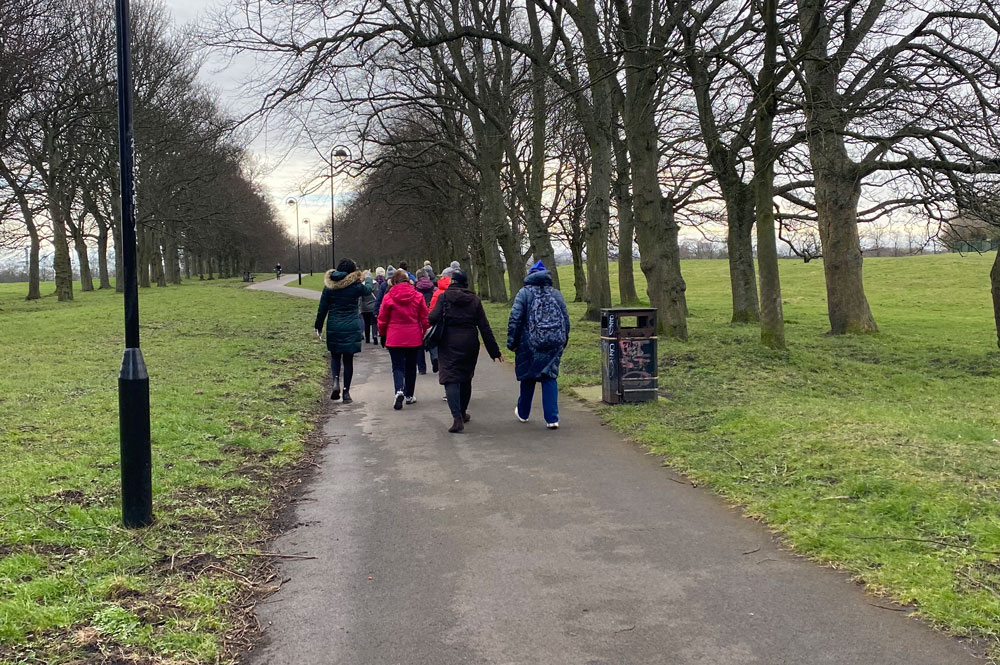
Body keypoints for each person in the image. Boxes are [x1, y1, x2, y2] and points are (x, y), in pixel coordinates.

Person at [429, 270, 503, 433]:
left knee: (450, 378)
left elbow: (432, 318)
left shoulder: (443, 297)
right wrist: (494, 351)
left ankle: (457, 418)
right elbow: (484, 326)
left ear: (452, 282)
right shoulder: (474, 300)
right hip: (470, 341)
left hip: (448, 341)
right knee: (465, 377)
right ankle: (462, 412)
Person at [507, 260, 570, 429]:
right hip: (553, 343)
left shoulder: (524, 293)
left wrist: (511, 343)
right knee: (550, 377)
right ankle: (552, 419)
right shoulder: (556, 293)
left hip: (529, 344)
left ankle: (523, 412)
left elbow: (515, 320)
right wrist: (563, 341)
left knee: (528, 377)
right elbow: (565, 319)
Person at [314, 259, 374, 404]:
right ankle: (346, 392)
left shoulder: (329, 286)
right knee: (348, 360)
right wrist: (368, 278)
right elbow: (368, 290)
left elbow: (322, 308)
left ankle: (335, 382)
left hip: (334, 325)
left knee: (335, 357)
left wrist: (318, 326)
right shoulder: (356, 286)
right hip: (351, 325)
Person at [378, 269, 429, 410]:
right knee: (411, 367)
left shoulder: (388, 297)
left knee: (397, 366)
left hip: (394, 337)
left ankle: (399, 390)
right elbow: (425, 318)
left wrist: (382, 334)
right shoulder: (418, 296)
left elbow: (382, 319)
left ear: (394, 282)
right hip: (413, 337)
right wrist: (426, 333)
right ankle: (409, 395)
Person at [414, 268, 437, 374]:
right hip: (431, 315)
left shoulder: (414, 289)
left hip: (418, 317)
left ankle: (422, 368)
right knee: (432, 338)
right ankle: (435, 358)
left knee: (419, 343)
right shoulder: (433, 287)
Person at [359, 277, 377, 344]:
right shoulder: (376, 285)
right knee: (374, 323)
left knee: (367, 323)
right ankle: (375, 337)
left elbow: (360, 298)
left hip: (365, 307)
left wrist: (360, 308)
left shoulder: (362, 286)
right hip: (373, 306)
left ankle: (367, 339)